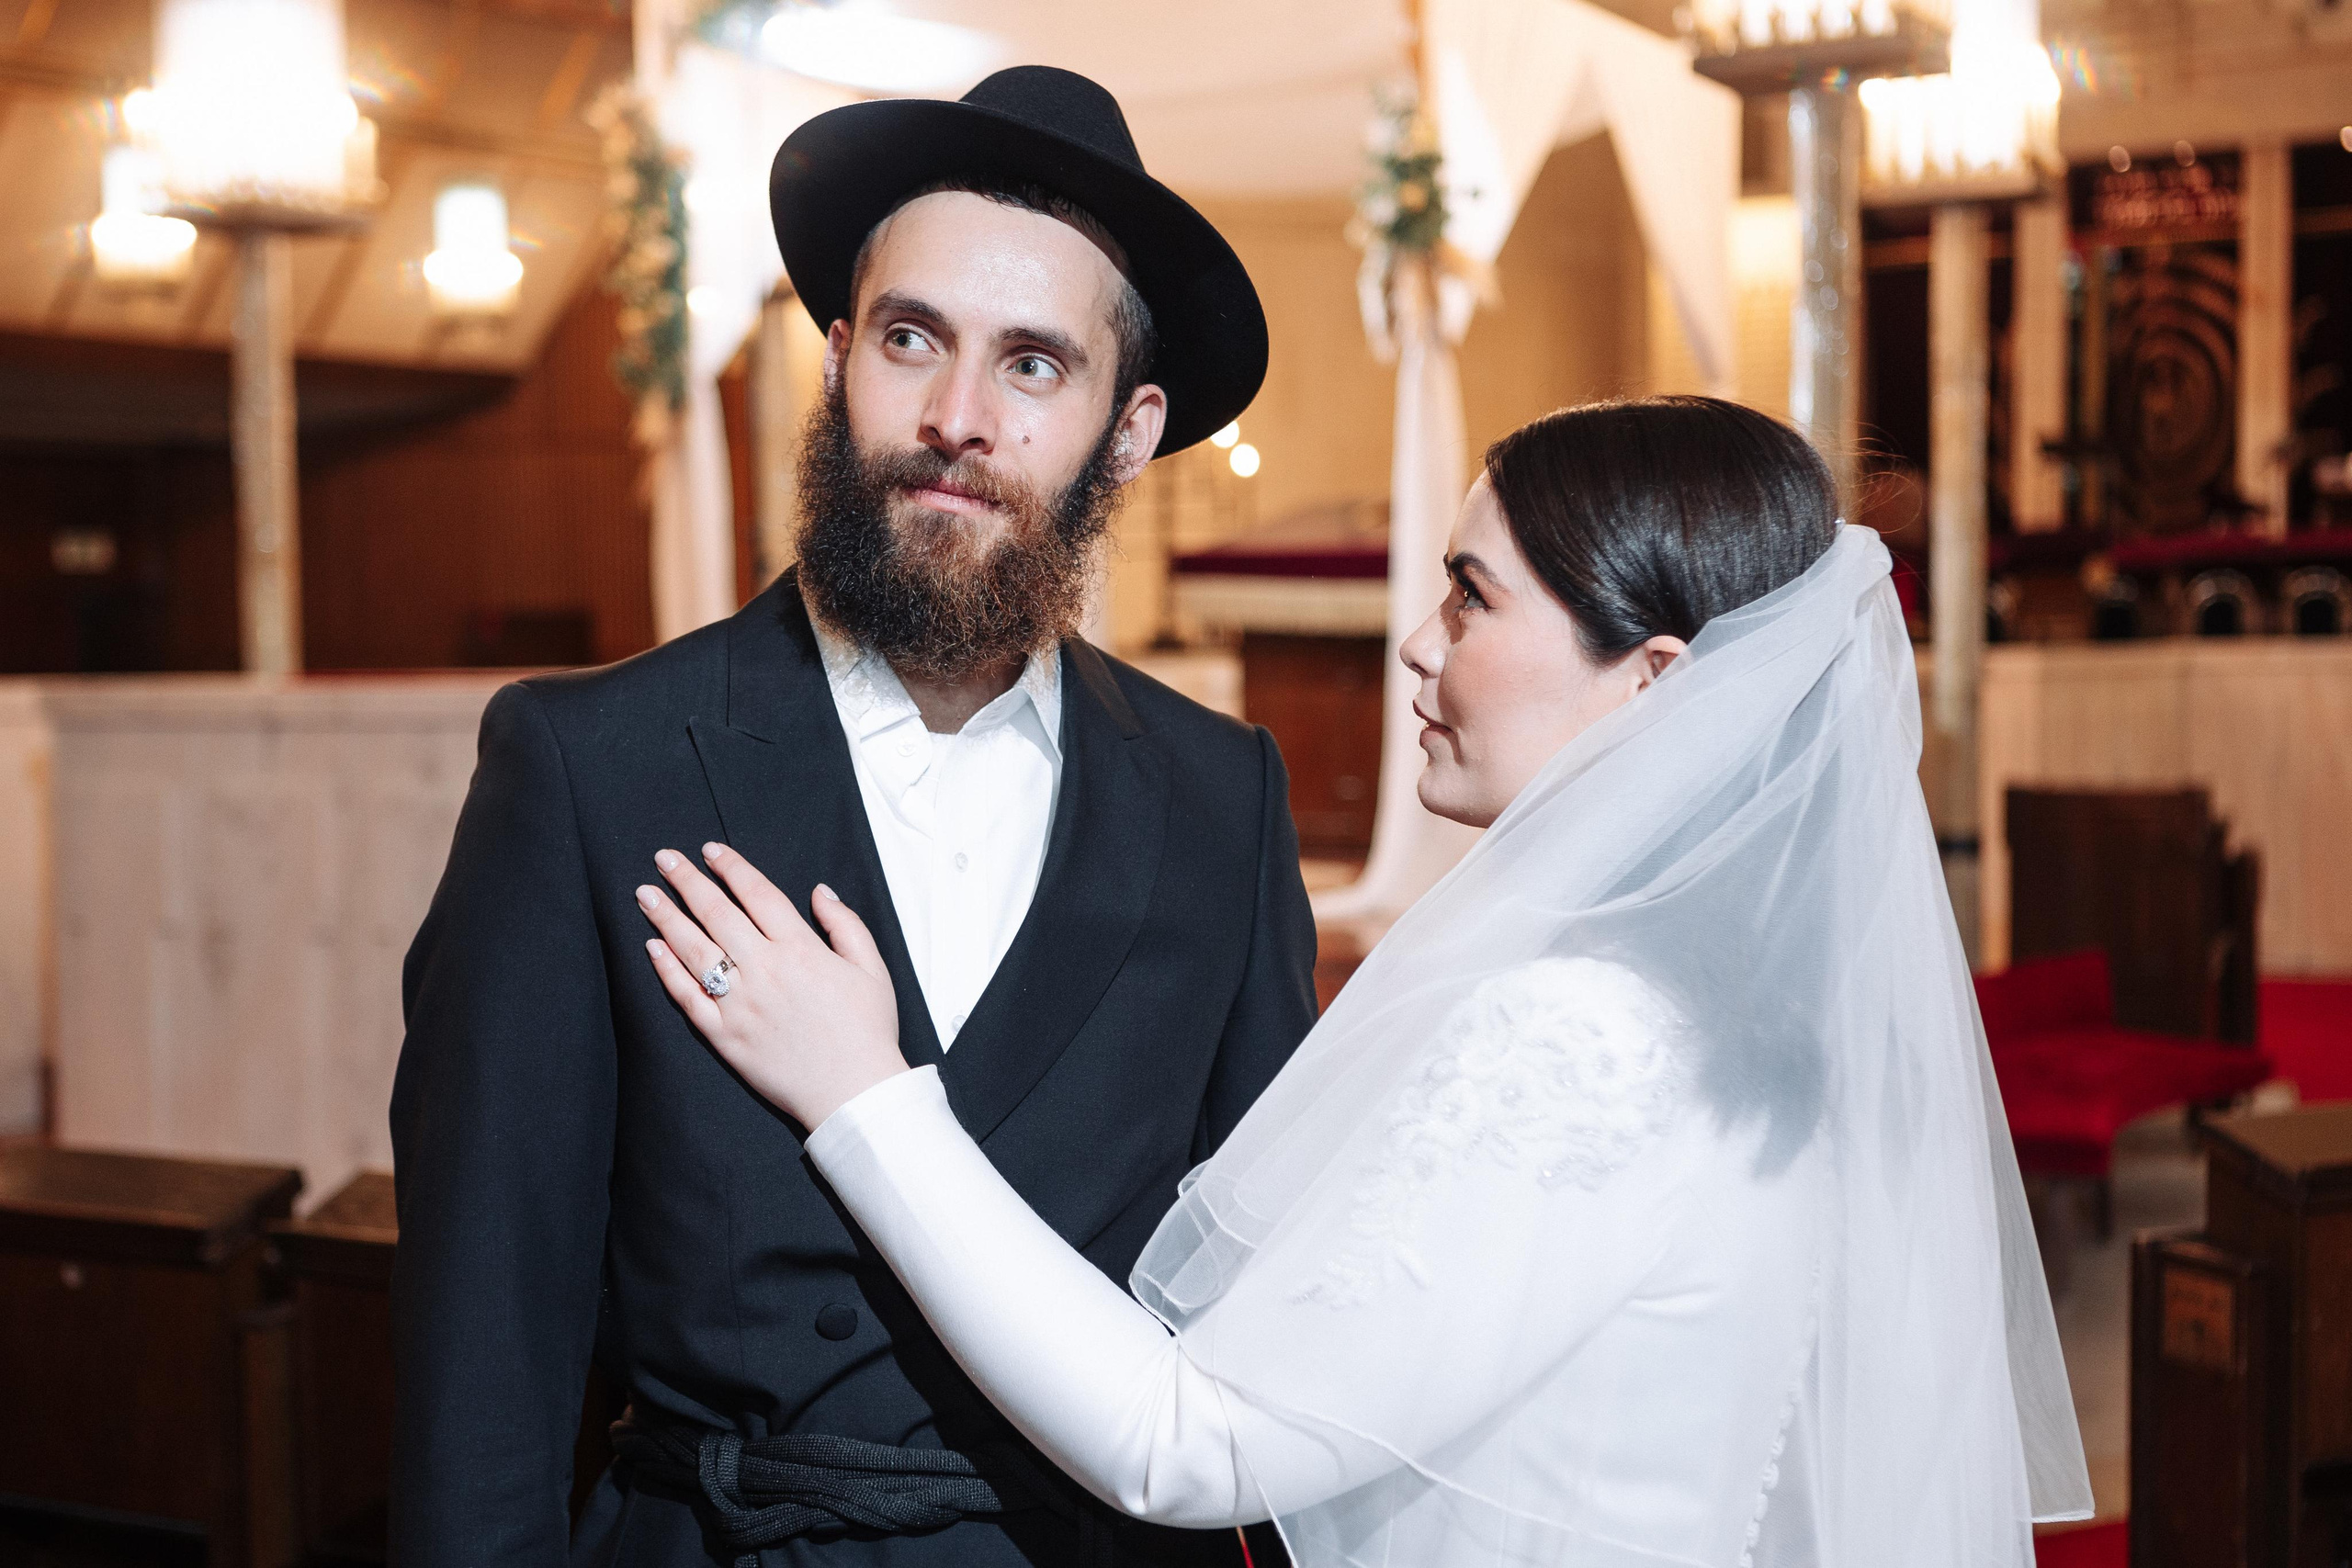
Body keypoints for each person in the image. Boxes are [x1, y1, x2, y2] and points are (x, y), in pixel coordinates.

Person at [633, 397, 2097, 1567]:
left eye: (1471, 601)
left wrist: (870, 1101)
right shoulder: (1743, 1013)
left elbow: (1188, 1445)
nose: (1415, 644)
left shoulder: (1585, 1034)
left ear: (1652, 683)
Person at [390, 65, 1316, 1568]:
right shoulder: (587, 765)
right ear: (836, 360)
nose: (956, 418)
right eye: (911, 340)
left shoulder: (1223, 795)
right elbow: (484, 1351)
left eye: (1033, 366)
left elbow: (1266, 1308)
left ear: (1129, 429)